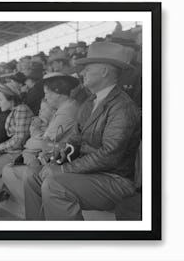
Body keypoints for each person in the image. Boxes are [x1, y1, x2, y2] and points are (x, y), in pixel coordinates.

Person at [22, 42, 142, 220]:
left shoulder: (122, 106)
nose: (82, 72)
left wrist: (63, 170)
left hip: (115, 179)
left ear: (104, 71)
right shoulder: (89, 103)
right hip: (89, 172)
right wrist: (57, 155)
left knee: (54, 184)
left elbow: (109, 155)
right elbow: (76, 140)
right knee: (32, 176)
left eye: (87, 68)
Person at [1, 74, 80, 212]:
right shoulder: (66, 108)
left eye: (47, 93)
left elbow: (43, 143)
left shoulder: (66, 111)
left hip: (57, 161)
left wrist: (30, 140)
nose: (46, 98)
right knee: (14, 170)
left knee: (18, 172)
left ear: (57, 92)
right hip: (53, 158)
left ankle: (38, 216)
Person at [0, 82, 34, 190]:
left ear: (11, 98)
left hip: (18, 153)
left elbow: (20, 139)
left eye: (0, 99)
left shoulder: (21, 109)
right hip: (11, 151)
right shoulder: (14, 111)